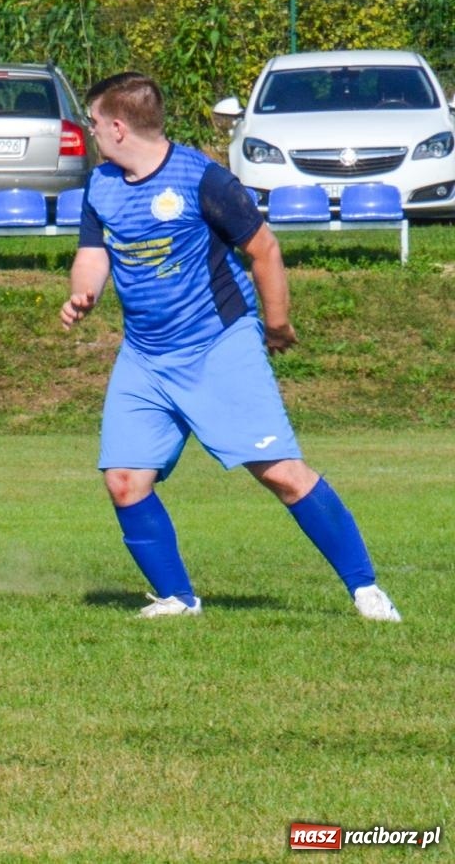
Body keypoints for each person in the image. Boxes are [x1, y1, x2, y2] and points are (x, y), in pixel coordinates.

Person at [60, 71, 400, 622]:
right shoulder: (101, 186)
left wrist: (277, 323)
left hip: (217, 344)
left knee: (281, 473)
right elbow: (93, 253)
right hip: (145, 354)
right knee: (123, 481)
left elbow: (264, 249)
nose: (91, 130)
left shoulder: (202, 178)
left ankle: (366, 589)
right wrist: (84, 292)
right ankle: (179, 598)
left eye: (94, 121)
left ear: (118, 127)